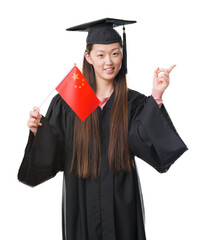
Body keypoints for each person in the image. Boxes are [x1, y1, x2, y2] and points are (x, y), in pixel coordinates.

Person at [18, 18, 188, 240]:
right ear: (88, 57)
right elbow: (56, 153)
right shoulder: (70, 101)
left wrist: (156, 95)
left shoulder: (132, 102)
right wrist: (37, 131)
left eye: (115, 53)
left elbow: (145, 141)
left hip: (122, 204)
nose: (109, 61)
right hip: (80, 202)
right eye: (100, 54)